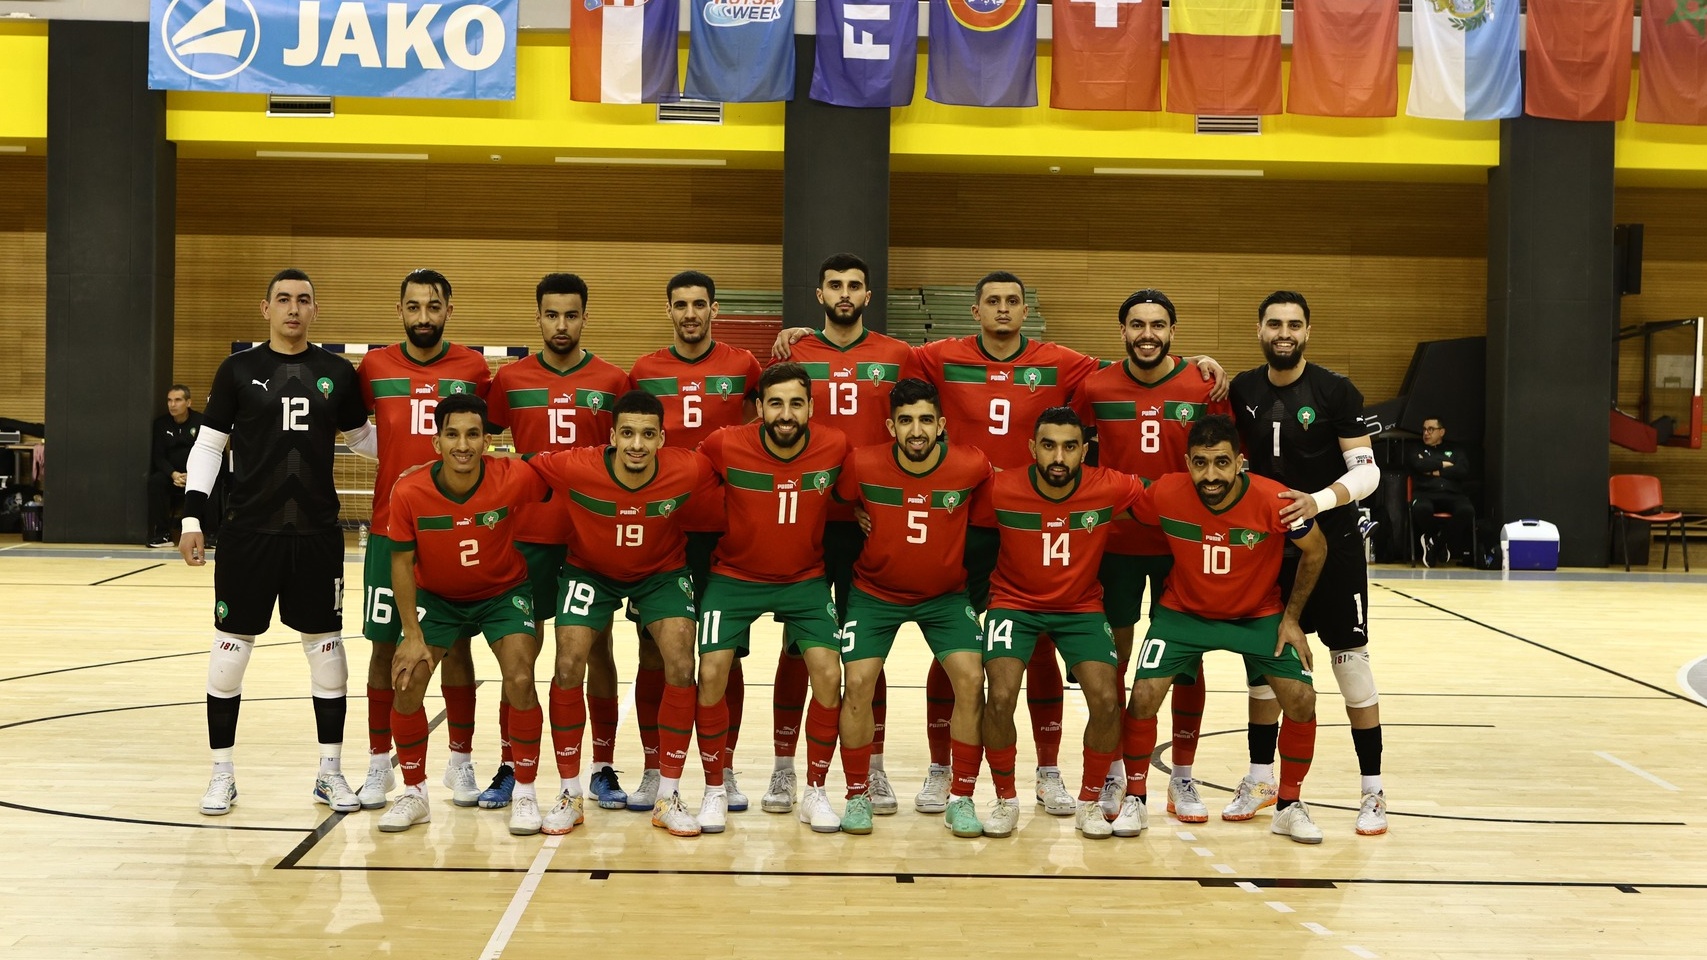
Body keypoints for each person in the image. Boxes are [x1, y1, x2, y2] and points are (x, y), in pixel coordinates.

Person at [179, 268, 378, 817]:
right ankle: (222, 774)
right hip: (248, 534)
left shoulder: (337, 372)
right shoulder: (238, 370)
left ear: (316, 310)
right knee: (229, 655)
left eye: (304, 300)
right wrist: (193, 518)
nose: (294, 309)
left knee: (329, 656)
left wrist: (426, 447)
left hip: (316, 535)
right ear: (265, 308)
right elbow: (209, 448)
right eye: (284, 300)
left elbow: (363, 441)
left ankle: (329, 773)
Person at [1120, 414, 1329, 844]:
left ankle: (1289, 805)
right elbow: (1127, 523)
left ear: (1239, 463)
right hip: (1183, 613)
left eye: (1221, 462)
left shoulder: (1274, 500)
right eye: (1200, 463)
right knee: (1142, 696)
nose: (1210, 474)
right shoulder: (1165, 493)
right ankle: (1136, 799)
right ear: (1187, 462)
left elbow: (1317, 548)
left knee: (1302, 699)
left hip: (1257, 615)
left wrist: (1291, 619)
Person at [762, 252, 917, 818]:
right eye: (835, 285)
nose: (845, 293)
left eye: (855, 285)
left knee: (863, 654)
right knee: (797, 646)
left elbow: (920, 423)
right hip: (804, 517)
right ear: (819, 294)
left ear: (869, 296)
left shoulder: (899, 355)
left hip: (869, 521)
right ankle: (783, 769)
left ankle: (871, 768)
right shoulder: (793, 351)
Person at [1228, 291, 1388, 836]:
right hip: (1269, 551)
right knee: (1265, 670)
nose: (1283, 332)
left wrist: (1316, 502)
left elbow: (1367, 474)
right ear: (1259, 330)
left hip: (1335, 545)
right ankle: (1258, 779)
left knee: (1352, 669)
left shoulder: (1336, 390)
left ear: (1307, 332)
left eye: (1294, 324)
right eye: (1274, 323)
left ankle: (1373, 792)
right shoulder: (1242, 390)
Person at [525, 390, 719, 836]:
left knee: (681, 663)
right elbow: (518, 461)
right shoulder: (576, 465)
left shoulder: (688, 467)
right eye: (627, 433)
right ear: (611, 435)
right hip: (589, 571)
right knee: (568, 664)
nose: (637, 444)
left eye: (648, 435)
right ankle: (570, 793)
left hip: (661, 571)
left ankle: (668, 794)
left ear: (662, 439)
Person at [1075, 289, 1231, 825]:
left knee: (1186, 662)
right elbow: (1068, 450)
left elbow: (1229, 461)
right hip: (1115, 543)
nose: (1148, 334)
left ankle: (1182, 776)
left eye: (1158, 325)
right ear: (1122, 331)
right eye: (1137, 324)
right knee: (1113, 661)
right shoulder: (1095, 385)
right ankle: (1116, 768)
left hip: (1179, 544)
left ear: (1173, 331)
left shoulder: (1202, 383)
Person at [480, 273, 633, 812]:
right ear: (538, 317)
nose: (561, 325)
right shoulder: (509, 379)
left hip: (591, 538)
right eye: (552, 315)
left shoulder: (614, 381)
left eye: (571, 315)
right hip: (526, 539)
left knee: (599, 650)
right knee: (520, 654)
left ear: (585, 317)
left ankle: (603, 765)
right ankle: (508, 764)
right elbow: (480, 447)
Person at [354, 270, 494, 812]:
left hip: (451, 529)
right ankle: (376, 764)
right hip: (393, 527)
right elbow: (357, 430)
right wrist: (393, 461)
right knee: (384, 646)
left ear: (448, 311)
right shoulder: (373, 366)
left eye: (433, 306)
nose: (423, 316)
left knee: (455, 642)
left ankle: (461, 760)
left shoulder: (474, 369)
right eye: (414, 306)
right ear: (400, 311)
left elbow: (480, 438)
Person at [692, 362, 851, 834]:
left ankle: (815, 791)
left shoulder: (836, 445)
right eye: (776, 403)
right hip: (734, 575)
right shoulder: (725, 443)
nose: (786, 413)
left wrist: (864, 513)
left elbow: (863, 487)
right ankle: (715, 788)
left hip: (804, 579)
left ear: (811, 408)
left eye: (796, 403)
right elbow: (685, 476)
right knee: (712, 669)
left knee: (828, 672)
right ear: (758, 408)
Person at [972, 406, 1144, 840]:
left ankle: (1089, 801)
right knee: (1001, 695)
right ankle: (1006, 798)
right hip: (1013, 603)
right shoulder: (1000, 487)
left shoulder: (1110, 486)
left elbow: (1178, 493)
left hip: (1081, 607)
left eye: (1069, 448)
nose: (1058, 458)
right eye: (1048, 446)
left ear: (1084, 451)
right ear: (1032, 448)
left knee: (1107, 698)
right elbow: (943, 505)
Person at [381, 394, 549, 835]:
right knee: (406, 677)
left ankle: (526, 793)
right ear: (436, 441)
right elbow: (400, 563)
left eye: (473, 434)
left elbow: (561, 472)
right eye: (452, 434)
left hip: (503, 592)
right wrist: (412, 634)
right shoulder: (410, 489)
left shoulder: (513, 475)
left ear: (486, 441)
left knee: (520, 677)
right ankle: (414, 793)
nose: (463, 444)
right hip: (437, 598)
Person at [628, 271, 762, 813]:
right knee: (652, 652)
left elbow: (765, 433)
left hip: (725, 532)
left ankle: (721, 768)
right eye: (680, 304)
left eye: (699, 304)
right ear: (668, 310)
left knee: (724, 655)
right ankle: (653, 766)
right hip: (661, 531)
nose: (690, 313)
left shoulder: (744, 367)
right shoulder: (644, 370)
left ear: (714, 309)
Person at [833, 379, 992, 836]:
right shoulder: (863, 463)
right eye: (905, 421)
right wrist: (858, 514)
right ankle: (857, 794)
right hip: (875, 592)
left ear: (941, 424)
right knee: (858, 681)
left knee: (971, 677)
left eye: (925, 420)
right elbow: (839, 504)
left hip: (945, 597)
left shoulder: (972, 465)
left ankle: (960, 796)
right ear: (891, 426)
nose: (916, 430)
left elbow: (985, 521)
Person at [1410, 416, 1474, 566]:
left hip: (1453, 494)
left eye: (1431, 429)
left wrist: (1435, 471)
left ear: (1442, 432)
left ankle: (1435, 544)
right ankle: (1439, 542)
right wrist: (1444, 464)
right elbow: (1418, 465)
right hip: (1425, 493)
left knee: (1467, 511)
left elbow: (1462, 470)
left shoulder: (1456, 449)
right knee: (1421, 509)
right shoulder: (1416, 449)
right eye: (1424, 429)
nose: (1426, 433)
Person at [148, 384, 207, 548]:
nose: (172, 405)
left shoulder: (201, 421)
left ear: (188, 402)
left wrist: (193, 475)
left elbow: (207, 452)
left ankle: (211, 534)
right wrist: (173, 474)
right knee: (155, 482)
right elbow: (158, 456)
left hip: (197, 473)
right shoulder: (161, 424)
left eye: (178, 400)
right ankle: (162, 534)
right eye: (169, 400)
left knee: (213, 484)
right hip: (172, 475)